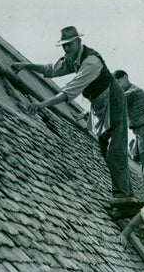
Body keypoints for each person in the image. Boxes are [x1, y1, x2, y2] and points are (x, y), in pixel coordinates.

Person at [10, 26, 132, 198]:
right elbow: (52, 69)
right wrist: (26, 65)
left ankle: (123, 195)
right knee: (106, 151)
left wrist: (41, 104)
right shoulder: (72, 58)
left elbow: (67, 93)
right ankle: (125, 192)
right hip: (98, 104)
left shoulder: (91, 62)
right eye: (64, 46)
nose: (67, 49)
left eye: (70, 45)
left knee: (115, 149)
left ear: (78, 42)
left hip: (113, 100)